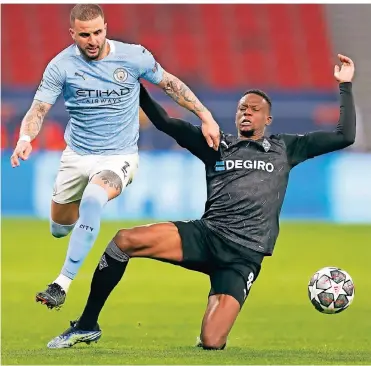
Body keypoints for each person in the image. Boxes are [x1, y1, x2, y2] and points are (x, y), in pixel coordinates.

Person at [46, 54, 356, 349]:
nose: (245, 112)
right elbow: (166, 123)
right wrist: (136, 87)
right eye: (241, 108)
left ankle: (212, 323)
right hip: (206, 237)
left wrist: (345, 86)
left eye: (253, 108)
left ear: (268, 118)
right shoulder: (216, 144)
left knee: (212, 342)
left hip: (243, 258)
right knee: (124, 240)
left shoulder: (287, 147)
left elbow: (345, 136)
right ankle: (87, 325)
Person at [10, 4, 220, 311]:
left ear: (105, 28)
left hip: (118, 156)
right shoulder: (60, 66)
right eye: (85, 35)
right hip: (77, 157)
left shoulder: (134, 56)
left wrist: (206, 115)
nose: (93, 40)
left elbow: (171, 84)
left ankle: (61, 283)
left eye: (98, 32)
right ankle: (80, 229)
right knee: (59, 228)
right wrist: (25, 138)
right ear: (73, 34)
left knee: (94, 199)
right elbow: (38, 109)